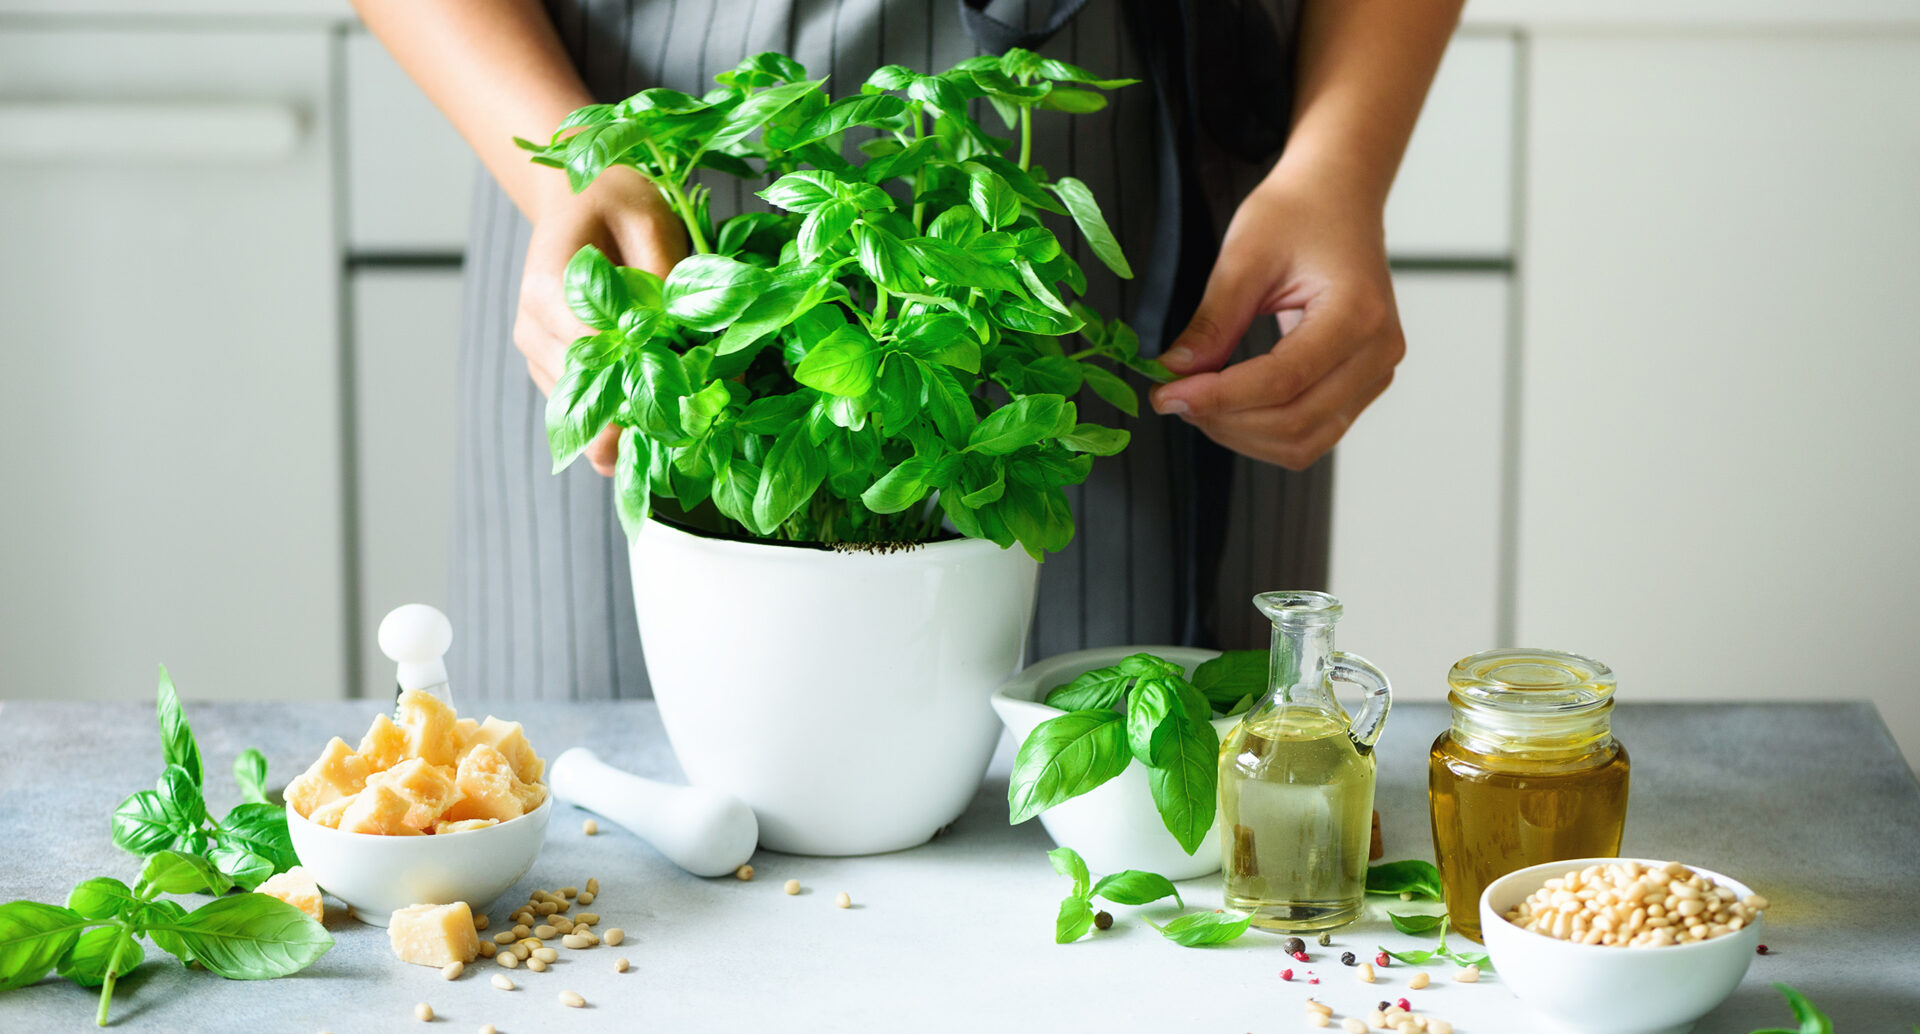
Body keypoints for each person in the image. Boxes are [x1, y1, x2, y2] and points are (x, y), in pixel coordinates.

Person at [351, 0, 1463, 699]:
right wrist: (563, 165)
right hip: (656, 172)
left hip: (1160, 167)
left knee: (1168, 858)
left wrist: (1342, 162)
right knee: (619, 874)